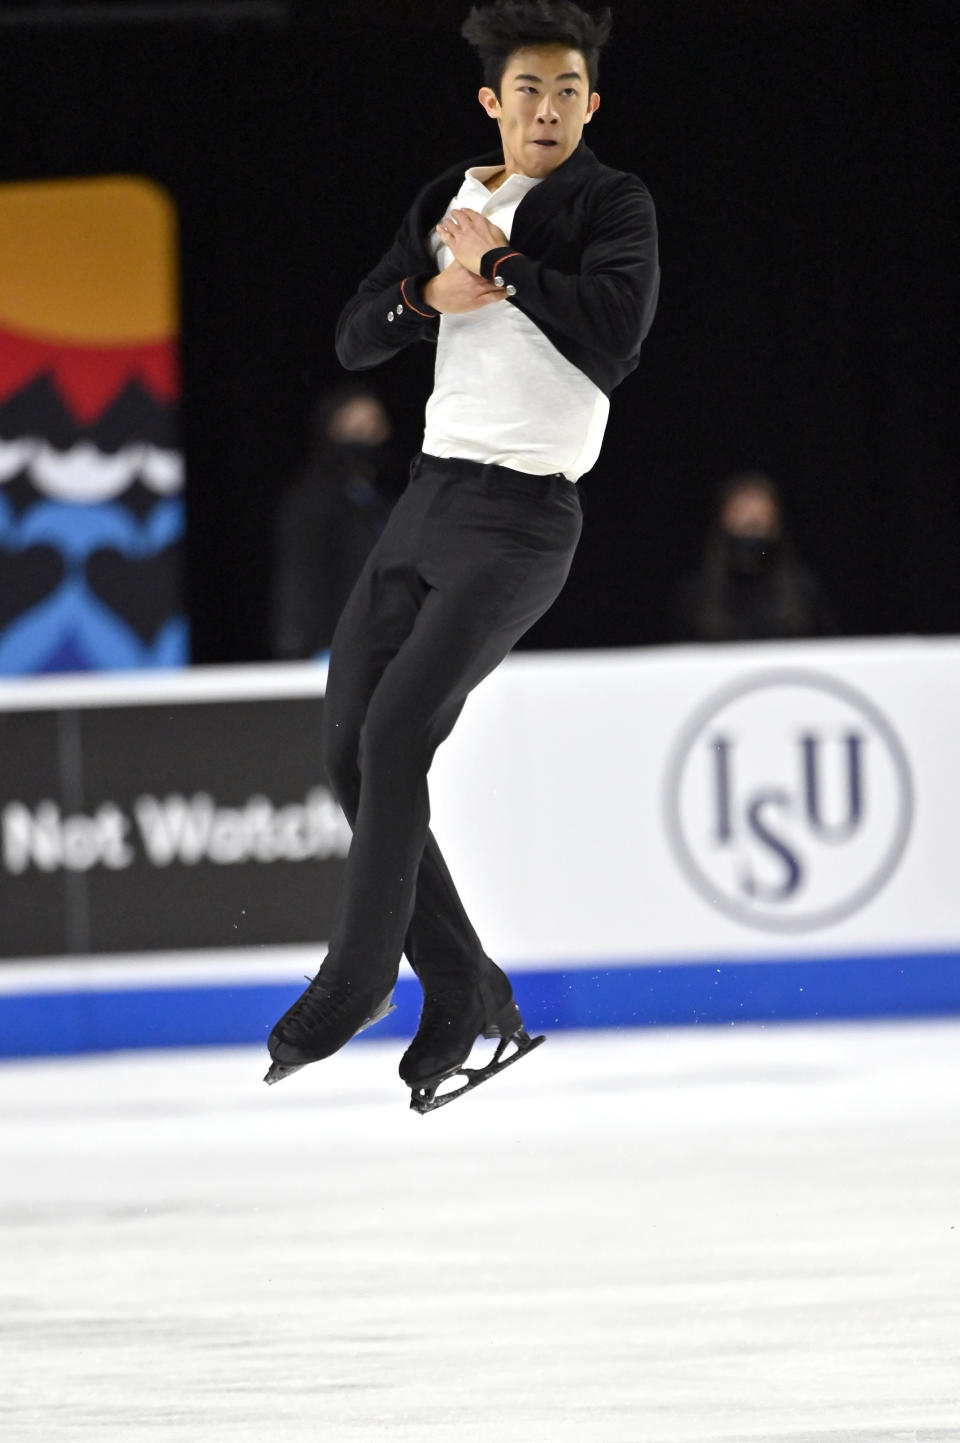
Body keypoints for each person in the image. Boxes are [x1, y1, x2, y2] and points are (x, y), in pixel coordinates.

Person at [264, 0, 659, 1111]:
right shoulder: (450, 197)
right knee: (350, 752)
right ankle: (463, 985)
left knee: (398, 735)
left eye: (568, 92)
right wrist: (423, 294)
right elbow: (352, 336)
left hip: (525, 522)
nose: (548, 109)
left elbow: (615, 339)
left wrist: (511, 266)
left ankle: (354, 980)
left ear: (592, 103)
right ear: (494, 101)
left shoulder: (609, 204)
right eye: (528, 90)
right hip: (427, 504)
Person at [269, 386, 396, 659]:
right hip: (332, 648)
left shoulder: (385, 500)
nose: (366, 437)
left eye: (374, 425)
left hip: (389, 643)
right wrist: (302, 646)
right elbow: (301, 578)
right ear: (331, 429)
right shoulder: (310, 500)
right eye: (355, 426)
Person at [671, 471, 837, 643]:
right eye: (743, 524)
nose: (751, 536)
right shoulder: (696, 596)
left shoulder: (804, 592)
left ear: (776, 527)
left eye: (759, 524)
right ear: (722, 524)